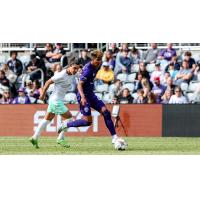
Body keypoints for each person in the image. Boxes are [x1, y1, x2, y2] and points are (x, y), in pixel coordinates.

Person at [58, 50, 127, 150]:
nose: (99, 62)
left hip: (91, 95)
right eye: (97, 60)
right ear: (93, 59)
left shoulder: (98, 65)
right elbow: (79, 85)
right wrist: (82, 97)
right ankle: (65, 124)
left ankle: (114, 137)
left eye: (100, 60)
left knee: (106, 112)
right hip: (84, 96)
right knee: (87, 122)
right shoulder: (88, 70)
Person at [29, 59, 80, 149]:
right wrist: (42, 95)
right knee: (69, 117)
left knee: (47, 120)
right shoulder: (60, 75)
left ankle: (34, 137)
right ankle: (60, 138)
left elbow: (82, 76)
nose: (75, 70)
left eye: (77, 69)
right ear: (69, 66)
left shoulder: (73, 73)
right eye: (74, 68)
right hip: (56, 101)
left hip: (55, 100)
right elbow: (47, 82)